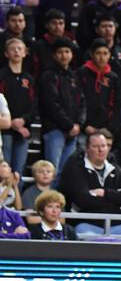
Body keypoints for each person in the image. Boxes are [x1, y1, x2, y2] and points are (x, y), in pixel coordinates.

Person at [60, 132, 121, 236]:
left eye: (103, 146)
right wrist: (115, 200)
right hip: (86, 223)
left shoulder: (115, 169)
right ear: (87, 149)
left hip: (117, 224)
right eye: (95, 146)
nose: (101, 150)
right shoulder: (76, 169)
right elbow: (82, 200)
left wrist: (104, 193)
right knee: (91, 242)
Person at [39, 37, 85, 176]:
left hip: (73, 131)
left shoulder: (74, 77)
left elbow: (82, 103)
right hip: (54, 130)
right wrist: (69, 126)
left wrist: (78, 124)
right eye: (60, 52)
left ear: (71, 54)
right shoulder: (48, 76)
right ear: (54, 55)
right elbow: (51, 104)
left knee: (66, 173)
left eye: (67, 51)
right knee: (51, 173)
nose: (64, 55)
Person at [0, 38, 37, 175]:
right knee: (3, 171)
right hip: (4, 131)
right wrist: (11, 123)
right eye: (12, 49)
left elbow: (34, 104)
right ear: (6, 53)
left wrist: (24, 120)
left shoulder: (29, 78)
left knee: (18, 173)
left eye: (19, 48)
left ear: (25, 52)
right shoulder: (2, 76)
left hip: (23, 130)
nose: (16, 51)